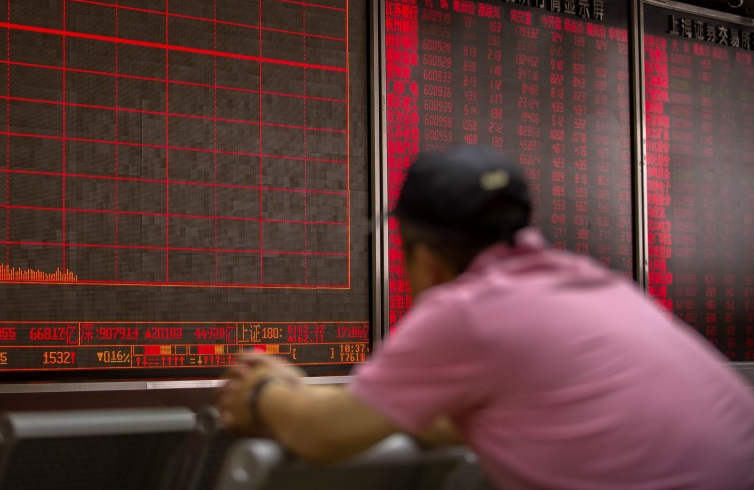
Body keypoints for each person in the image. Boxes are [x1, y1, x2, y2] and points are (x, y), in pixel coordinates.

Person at [218, 145, 754, 489]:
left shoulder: (469, 311)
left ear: (424, 260)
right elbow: (510, 417)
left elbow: (321, 435)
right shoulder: (593, 280)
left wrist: (268, 390)